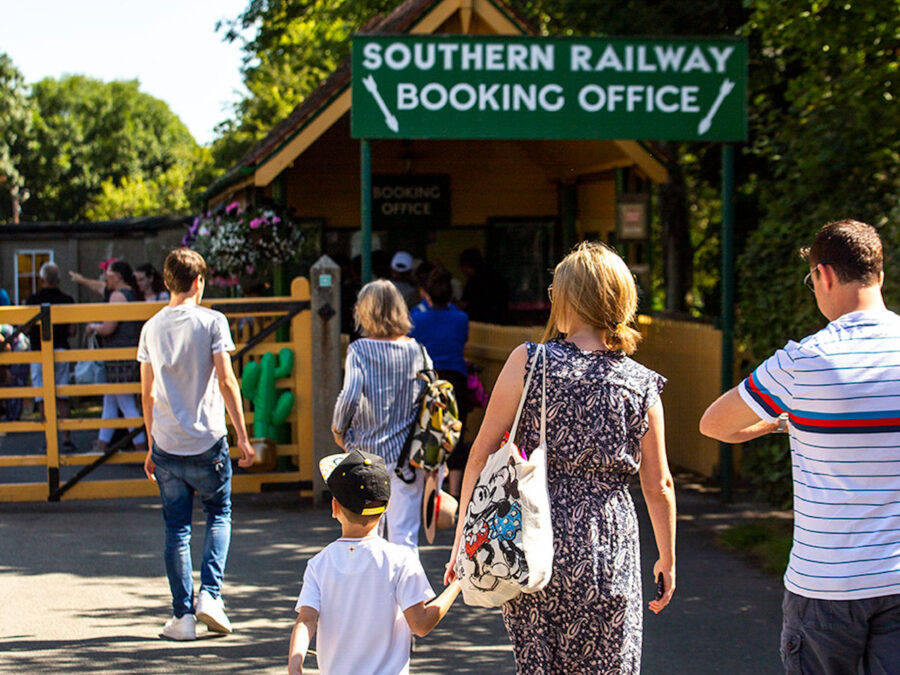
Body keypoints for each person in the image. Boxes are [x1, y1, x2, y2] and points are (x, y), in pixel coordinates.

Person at [445, 241, 676, 673]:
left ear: (565, 298)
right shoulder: (642, 385)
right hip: (610, 543)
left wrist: (463, 542)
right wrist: (667, 558)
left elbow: (479, 456)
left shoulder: (528, 363)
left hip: (532, 537)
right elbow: (658, 484)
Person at [700, 219, 900, 674]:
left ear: (824, 275)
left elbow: (715, 425)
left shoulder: (804, 360)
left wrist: (780, 424)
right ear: (880, 275)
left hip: (826, 586)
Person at [139, 248, 255, 641]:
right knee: (219, 514)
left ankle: (181, 617)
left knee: (177, 529)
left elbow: (147, 393)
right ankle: (211, 595)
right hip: (209, 439)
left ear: (167, 282)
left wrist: (152, 442)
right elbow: (226, 381)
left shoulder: (151, 327)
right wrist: (243, 436)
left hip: (168, 442)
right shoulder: (212, 322)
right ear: (199, 282)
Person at [288, 450, 460, 674]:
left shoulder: (319, 564)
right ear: (387, 506)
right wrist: (457, 584)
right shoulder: (400, 560)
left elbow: (306, 619)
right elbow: (421, 624)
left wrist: (295, 662)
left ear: (334, 507)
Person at [331, 280, 432, 551]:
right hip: (407, 460)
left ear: (365, 311)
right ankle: (409, 594)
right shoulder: (419, 351)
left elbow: (350, 396)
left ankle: (373, 593)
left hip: (366, 456)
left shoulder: (360, 350)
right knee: (405, 538)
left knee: (366, 537)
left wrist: (340, 433)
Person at [410, 266, 471, 498]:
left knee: (428, 432)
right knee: (456, 432)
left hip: (428, 380)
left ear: (426, 293)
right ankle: (454, 493)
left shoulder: (416, 318)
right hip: (456, 379)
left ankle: (431, 491)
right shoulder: (461, 318)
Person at [85, 260, 146, 452]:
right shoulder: (134, 294)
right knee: (111, 401)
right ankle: (101, 447)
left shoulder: (118, 296)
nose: (105, 277)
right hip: (129, 354)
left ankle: (142, 449)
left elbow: (108, 327)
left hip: (119, 357)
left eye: (108, 273)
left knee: (126, 403)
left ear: (118, 275)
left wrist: (93, 327)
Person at [25, 262, 77, 451]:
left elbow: (27, 328)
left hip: (38, 351)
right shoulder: (67, 299)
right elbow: (72, 330)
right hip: (61, 350)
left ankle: (48, 440)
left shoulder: (32, 300)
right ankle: (66, 438)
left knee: (42, 397)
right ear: (59, 280)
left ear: (42, 279)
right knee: (62, 396)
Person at [458, 247, 509, 324]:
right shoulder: (495, 276)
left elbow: (467, 304)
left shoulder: (474, 281)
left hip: (483, 323)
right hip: (500, 322)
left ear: (467, 266)